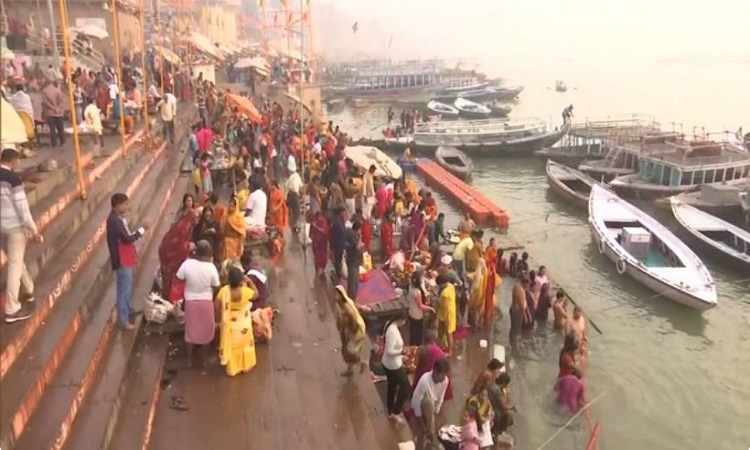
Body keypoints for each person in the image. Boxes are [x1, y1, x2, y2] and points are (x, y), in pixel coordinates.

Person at [1, 149, 42, 323]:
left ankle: (28, 288)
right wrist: (34, 230)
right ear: (14, 161)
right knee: (15, 266)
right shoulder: (12, 179)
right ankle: (12, 309)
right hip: (14, 227)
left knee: (16, 260)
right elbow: (22, 209)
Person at [106, 193, 148, 330]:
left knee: (126, 287)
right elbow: (127, 239)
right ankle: (123, 320)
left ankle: (128, 309)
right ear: (118, 205)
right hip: (121, 259)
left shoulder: (118, 218)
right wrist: (143, 229)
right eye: (125, 204)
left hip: (125, 256)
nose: (128, 206)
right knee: (123, 289)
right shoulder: (114, 221)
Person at [176, 240, 220, 368]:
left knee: (190, 331)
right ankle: (204, 360)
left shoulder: (187, 264)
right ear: (208, 253)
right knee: (206, 331)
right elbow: (216, 286)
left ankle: (189, 360)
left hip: (190, 301)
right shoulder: (211, 267)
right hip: (206, 301)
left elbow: (179, 278)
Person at [217, 266, 258, 376]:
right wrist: (250, 282)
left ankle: (233, 369)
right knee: (245, 346)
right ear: (241, 280)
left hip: (230, 326)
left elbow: (217, 304)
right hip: (244, 324)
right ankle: (246, 366)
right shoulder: (245, 292)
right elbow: (256, 294)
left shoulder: (224, 291)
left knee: (233, 348)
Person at [158, 203, 195, 301]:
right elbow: (181, 247)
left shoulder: (180, 225)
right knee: (172, 283)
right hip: (171, 259)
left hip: (167, 256)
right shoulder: (183, 228)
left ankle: (167, 299)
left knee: (167, 282)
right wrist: (188, 248)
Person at [411, 358, 450, 449]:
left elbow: (440, 398)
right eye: (442, 374)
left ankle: (431, 437)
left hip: (431, 408)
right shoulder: (424, 380)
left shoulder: (445, 380)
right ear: (435, 372)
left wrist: (434, 417)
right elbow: (416, 402)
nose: (444, 377)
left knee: (430, 427)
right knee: (422, 433)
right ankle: (431, 438)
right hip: (420, 406)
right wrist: (421, 422)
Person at [333, 285, 367, 376]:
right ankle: (350, 370)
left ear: (341, 295)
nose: (335, 296)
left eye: (337, 294)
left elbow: (352, 316)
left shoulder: (345, 305)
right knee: (346, 348)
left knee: (350, 350)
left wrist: (353, 329)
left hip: (355, 329)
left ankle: (361, 362)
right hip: (347, 328)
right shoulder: (340, 303)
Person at [382, 313, 410, 423]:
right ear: (400, 319)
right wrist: (401, 352)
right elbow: (390, 351)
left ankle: (390, 411)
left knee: (392, 386)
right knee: (405, 388)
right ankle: (396, 411)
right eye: (404, 321)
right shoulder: (393, 332)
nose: (404, 323)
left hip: (390, 363)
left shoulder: (389, 325)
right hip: (393, 365)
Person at [407, 271, 435, 346]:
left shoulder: (411, 286)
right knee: (418, 336)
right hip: (417, 316)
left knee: (412, 333)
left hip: (411, 313)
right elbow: (420, 306)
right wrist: (430, 308)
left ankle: (412, 348)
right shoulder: (417, 292)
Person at [221, 196, 246, 261]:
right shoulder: (225, 215)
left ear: (236, 207)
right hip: (225, 243)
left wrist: (241, 246)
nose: (231, 208)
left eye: (233, 206)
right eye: (230, 206)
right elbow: (222, 228)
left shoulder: (239, 218)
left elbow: (242, 233)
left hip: (235, 244)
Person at [436, 275, 457, 353]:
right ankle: (444, 346)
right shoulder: (450, 286)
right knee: (444, 331)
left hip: (447, 314)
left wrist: (437, 301)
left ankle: (449, 351)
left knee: (448, 333)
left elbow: (443, 305)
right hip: (451, 310)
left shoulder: (445, 293)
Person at [42, 79, 65, 147]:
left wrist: (53, 108)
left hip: (50, 112)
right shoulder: (58, 90)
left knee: (52, 128)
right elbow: (61, 101)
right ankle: (62, 141)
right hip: (59, 112)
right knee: (60, 127)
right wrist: (57, 108)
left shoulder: (45, 91)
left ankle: (54, 143)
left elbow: (45, 102)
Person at [344, 220, 363, 300]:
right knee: (353, 280)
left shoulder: (353, 234)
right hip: (352, 260)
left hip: (355, 260)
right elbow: (357, 246)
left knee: (355, 280)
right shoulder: (352, 235)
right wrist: (360, 239)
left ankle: (353, 296)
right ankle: (351, 297)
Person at [509, 276, 531, 342]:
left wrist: (528, 313)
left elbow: (524, 302)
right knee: (516, 329)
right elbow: (521, 304)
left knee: (514, 328)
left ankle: (512, 340)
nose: (527, 287)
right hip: (517, 311)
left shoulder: (517, 286)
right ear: (525, 283)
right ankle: (514, 343)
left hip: (515, 310)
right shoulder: (520, 290)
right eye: (527, 285)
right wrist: (525, 316)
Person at [309, 211, 329, 276]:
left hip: (320, 243)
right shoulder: (322, 223)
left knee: (318, 257)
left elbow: (311, 234)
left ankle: (319, 271)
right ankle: (322, 271)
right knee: (321, 258)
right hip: (320, 243)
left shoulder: (316, 224)